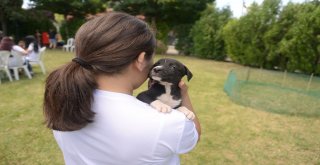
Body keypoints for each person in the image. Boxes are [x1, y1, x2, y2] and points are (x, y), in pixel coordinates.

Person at [43, 12, 201, 165]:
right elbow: (194, 135)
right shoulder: (168, 123)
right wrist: (183, 94)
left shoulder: (63, 101)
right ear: (140, 60)